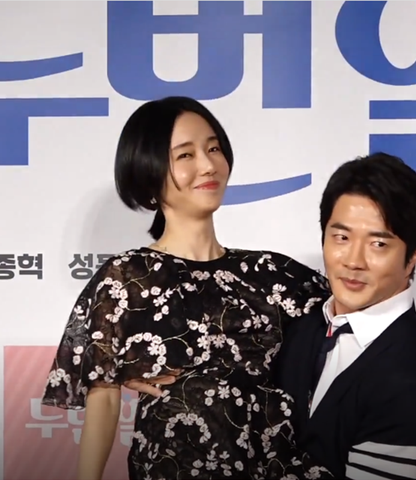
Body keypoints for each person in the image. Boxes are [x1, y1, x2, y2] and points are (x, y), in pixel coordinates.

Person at [41, 96, 336, 480]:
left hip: (271, 467)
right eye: (185, 155)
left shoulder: (273, 274)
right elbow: (104, 401)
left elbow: (358, 330)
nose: (208, 165)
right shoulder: (126, 278)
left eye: (213, 148)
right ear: (148, 171)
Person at [273, 152, 416, 479]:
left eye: (378, 244)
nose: (353, 261)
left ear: (413, 255)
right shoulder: (301, 316)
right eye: (341, 237)